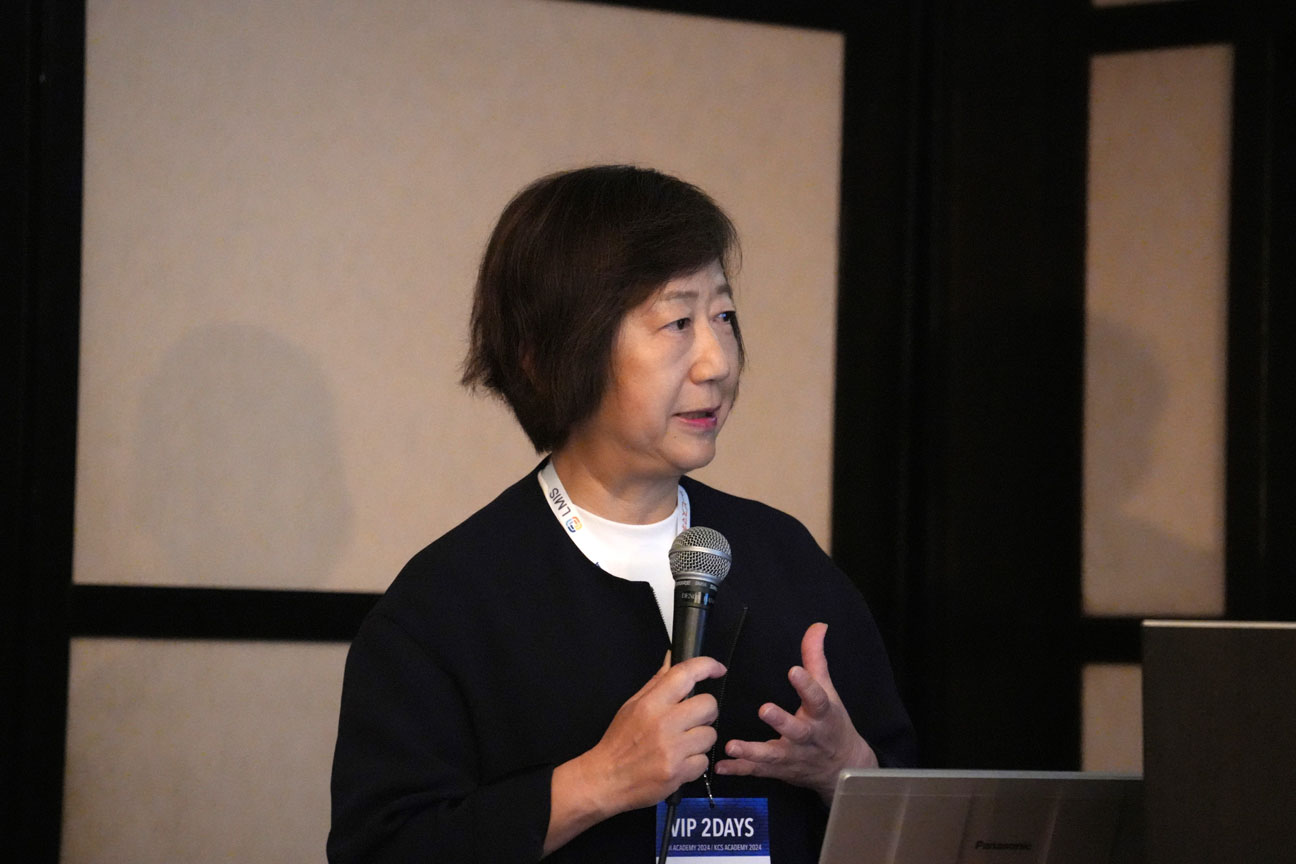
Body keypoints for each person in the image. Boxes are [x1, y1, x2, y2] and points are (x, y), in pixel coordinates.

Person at [328, 165, 916, 863]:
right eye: (677, 322)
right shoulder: (447, 603)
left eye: (723, 316)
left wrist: (847, 769)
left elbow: (915, 815)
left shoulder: (784, 556)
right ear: (549, 356)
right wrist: (599, 782)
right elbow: (383, 849)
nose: (717, 362)